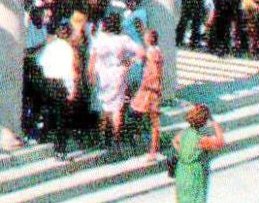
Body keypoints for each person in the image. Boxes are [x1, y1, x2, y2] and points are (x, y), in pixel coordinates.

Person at [171, 104, 225, 203]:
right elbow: (220, 142)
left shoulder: (185, 133)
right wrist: (216, 125)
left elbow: (175, 142)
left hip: (182, 171)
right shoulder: (201, 140)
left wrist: (184, 153)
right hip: (195, 174)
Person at [88, 12, 143, 152]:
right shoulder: (123, 39)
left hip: (101, 73)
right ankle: (115, 139)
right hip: (118, 72)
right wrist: (129, 62)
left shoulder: (99, 38)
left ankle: (102, 138)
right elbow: (141, 52)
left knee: (102, 107)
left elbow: (92, 58)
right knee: (117, 108)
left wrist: (90, 74)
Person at [37, 23, 79, 159]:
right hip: (61, 83)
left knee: (48, 112)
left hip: (48, 81)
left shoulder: (50, 46)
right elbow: (69, 70)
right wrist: (72, 88)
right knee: (62, 117)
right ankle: (60, 148)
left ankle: (44, 137)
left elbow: (40, 63)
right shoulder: (68, 49)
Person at [130, 27, 165, 159]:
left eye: (146, 36)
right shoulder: (155, 51)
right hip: (150, 89)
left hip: (150, 90)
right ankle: (141, 139)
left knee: (153, 120)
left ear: (150, 39)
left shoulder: (152, 53)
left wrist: (146, 83)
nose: (144, 38)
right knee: (140, 113)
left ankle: (153, 150)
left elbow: (156, 73)